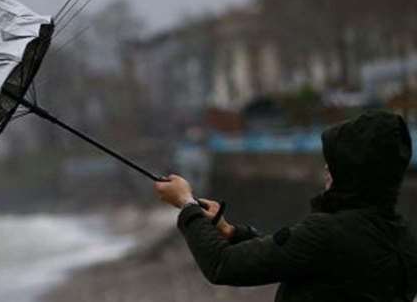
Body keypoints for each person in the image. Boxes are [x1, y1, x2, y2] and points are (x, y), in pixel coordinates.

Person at [155, 110, 417, 301]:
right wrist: (231, 232)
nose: (327, 168)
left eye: (336, 162)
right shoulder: (403, 237)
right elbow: (299, 257)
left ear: (354, 171)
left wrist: (186, 204)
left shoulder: (326, 233)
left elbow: (223, 265)